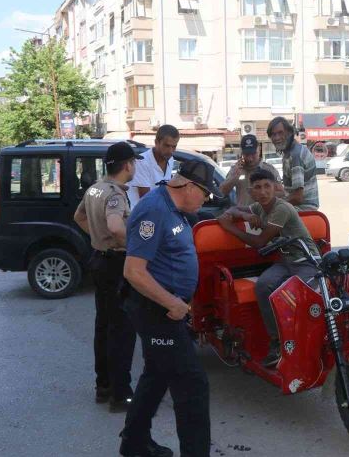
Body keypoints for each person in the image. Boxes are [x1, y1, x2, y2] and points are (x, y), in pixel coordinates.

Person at [119, 160, 214, 457]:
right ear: (188, 186)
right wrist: (172, 302)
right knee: (192, 385)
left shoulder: (176, 209)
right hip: (157, 309)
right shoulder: (153, 210)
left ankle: (134, 443)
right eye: (205, 193)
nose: (206, 200)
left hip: (169, 305)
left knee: (156, 375)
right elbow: (133, 271)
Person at [218, 168, 320, 367]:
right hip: (285, 263)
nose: (263, 191)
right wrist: (242, 215)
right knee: (263, 286)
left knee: (296, 295)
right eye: (257, 187)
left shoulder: (281, 208)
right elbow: (230, 211)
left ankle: (304, 342)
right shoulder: (258, 207)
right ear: (251, 191)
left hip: (306, 262)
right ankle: (277, 341)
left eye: (267, 186)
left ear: (275, 188)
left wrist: (228, 226)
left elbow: (259, 243)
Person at [74, 142, 142, 413]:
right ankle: (121, 395)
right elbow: (116, 225)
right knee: (122, 331)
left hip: (99, 261)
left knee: (103, 327)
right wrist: (133, 245)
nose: (135, 166)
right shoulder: (114, 194)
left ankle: (103, 386)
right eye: (133, 163)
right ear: (127, 165)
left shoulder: (95, 189)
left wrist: (96, 236)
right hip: (116, 264)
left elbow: (78, 216)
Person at [267, 116, 319, 211]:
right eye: (273, 135)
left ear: (289, 133)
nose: (277, 137)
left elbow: (298, 198)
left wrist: (272, 205)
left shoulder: (295, 155)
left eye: (280, 133)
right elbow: (290, 192)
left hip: (304, 209)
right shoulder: (289, 152)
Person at [219, 134, 281, 206]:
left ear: (259, 149)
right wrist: (233, 178)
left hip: (265, 215)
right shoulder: (236, 169)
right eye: (246, 154)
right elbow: (221, 192)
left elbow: (282, 193)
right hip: (243, 215)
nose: (250, 159)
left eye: (253, 154)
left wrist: (264, 194)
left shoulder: (269, 169)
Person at [127, 125, 180, 208]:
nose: (170, 151)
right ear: (156, 142)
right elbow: (146, 200)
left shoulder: (170, 159)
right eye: (166, 146)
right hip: (142, 216)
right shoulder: (141, 162)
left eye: (174, 146)